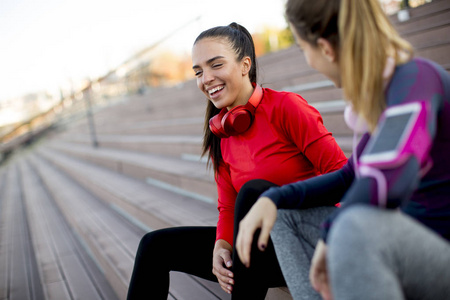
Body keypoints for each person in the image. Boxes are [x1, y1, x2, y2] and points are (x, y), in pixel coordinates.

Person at [236, 0, 450, 299]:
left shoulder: (416, 81)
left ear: (325, 48)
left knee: (353, 225)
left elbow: (387, 178)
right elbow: (348, 178)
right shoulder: (381, 95)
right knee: (283, 214)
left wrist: (331, 234)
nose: (308, 60)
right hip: (405, 245)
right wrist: (273, 197)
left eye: (303, 48)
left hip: (439, 253)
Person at [126, 22, 347, 299]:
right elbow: (228, 206)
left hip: (306, 238)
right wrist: (221, 245)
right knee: (155, 245)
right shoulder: (221, 130)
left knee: (254, 192)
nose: (206, 78)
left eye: (215, 65)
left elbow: (341, 173)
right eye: (198, 71)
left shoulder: (286, 108)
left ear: (245, 65)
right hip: (256, 248)